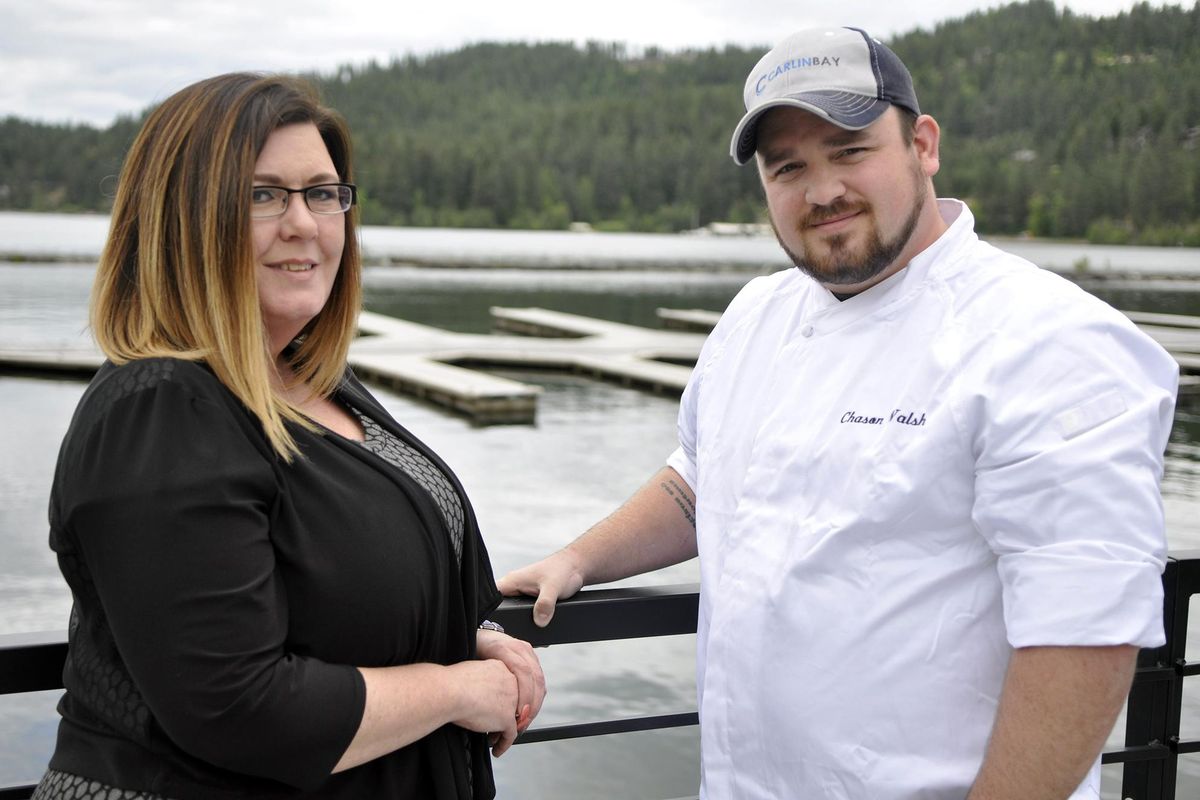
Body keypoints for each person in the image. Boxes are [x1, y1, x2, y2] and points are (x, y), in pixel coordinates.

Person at [499, 26, 1178, 800]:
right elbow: (699, 479)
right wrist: (579, 560)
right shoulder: (757, 315)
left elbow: (1084, 640)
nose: (821, 191)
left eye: (850, 151)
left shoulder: (1049, 341)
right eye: (788, 166)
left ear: (923, 144)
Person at [32, 73, 544, 800]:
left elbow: (336, 596)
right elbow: (239, 706)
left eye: (322, 192)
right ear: (183, 218)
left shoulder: (317, 380)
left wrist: (460, 636)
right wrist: (455, 688)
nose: (303, 222)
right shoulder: (159, 412)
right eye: (263, 194)